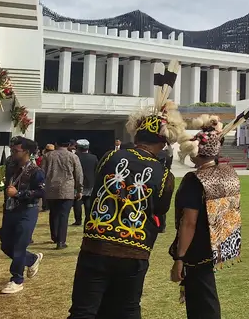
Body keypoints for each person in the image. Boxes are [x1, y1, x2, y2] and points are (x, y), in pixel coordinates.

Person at [68, 61, 185, 319]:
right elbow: (161, 209)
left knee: (84, 311)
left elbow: (99, 188)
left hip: (96, 245)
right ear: (163, 142)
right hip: (135, 249)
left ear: (137, 135)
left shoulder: (110, 156)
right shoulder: (164, 174)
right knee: (127, 309)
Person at [172, 108, 249, 318]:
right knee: (204, 294)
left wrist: (179, 258)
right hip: (217, 242)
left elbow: (188, 222)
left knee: (202, 300)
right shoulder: (226, 173)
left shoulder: (194, 180)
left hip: (197, 249)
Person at [0, 137, 45, 294]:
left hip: (27, 211)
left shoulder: (36, 172)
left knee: (19, 246)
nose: (13, 153)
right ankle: (32, 259)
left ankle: (16, 279)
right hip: (10, 210)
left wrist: (19, 194)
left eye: (16, 151)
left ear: (27, 152)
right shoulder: (11, 166)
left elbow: (42, 192)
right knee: (6, 245)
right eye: (12, 150)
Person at [41, 137, 83, 249]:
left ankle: (54, 236)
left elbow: (42, 172)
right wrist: (79, 190)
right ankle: (61, 241)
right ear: (68, 144)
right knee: (64, 216)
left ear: (55, 144)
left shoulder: (47, 156)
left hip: (51, 188)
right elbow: (78, 174)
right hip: (67, 189)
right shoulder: (73, 156)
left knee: (53, 214)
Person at [72, 140, 98, 227]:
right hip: (90, 182)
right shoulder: (93, 157)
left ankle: (78, 220)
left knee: (77, 202)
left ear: (78, 148)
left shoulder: (75, 157)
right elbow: (96, 169)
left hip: (77, 182)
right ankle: (88, 218)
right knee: (88, 202)